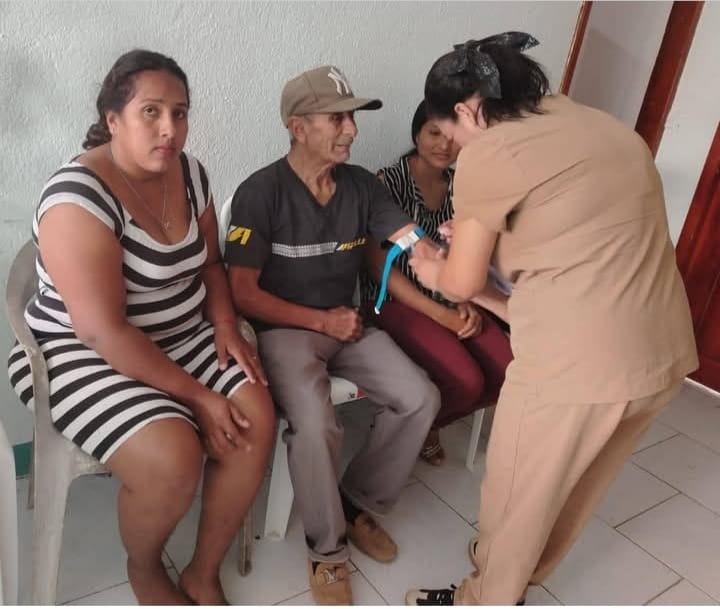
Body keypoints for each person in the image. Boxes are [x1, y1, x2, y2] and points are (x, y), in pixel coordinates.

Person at [405, 32, 698, 605]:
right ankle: (516, 573)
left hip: (576, 369)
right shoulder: (600, 126)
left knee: (516, 495)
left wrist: (435, 269)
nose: (454, 147)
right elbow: (569, 259)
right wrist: (482, 252)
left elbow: (459, 285)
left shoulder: (491, 151)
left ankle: (487, 596)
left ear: (467, 110)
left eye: (452, 133)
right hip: (660, 356)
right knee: (574, 488)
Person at [6, 50, 275, 605]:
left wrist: (225, 322)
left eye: (180, 112)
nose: (169, 129)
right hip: (77, 352)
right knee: (173, 458)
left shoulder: (191, 173)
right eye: (151, 112)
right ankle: (145, 567)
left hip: (181, 331)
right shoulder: (77, 200)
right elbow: (104, 331)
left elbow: (210, 263)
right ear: (113, 119)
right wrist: (199, 396)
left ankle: (202, 570)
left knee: (255, 421)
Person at [224, 65, 441, 605]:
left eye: (352, 118)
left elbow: (404, 232)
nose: (352, 130)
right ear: (298, 127)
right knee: (317, 424)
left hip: (348, 325)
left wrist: (430, 250)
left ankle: (355, 503)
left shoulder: (361, 185)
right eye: (338, 119)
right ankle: (327, 551)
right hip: (286, 331)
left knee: (420, 397)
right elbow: (242, 293)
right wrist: (321, 322)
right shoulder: (260, 193)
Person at [363, 100, 513, 466]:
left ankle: (425, 424)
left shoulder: (462, 186)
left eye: (453, 137)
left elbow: (465, 255)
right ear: (417, 134)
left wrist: (464, 300)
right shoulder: (388, 182)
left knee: (508, 368)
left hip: (450, 293)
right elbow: (377, 267)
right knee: (466, 381)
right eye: (434, 133)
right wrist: (441, 314)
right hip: (393, 301)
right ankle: (413, 425)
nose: (444, 145)